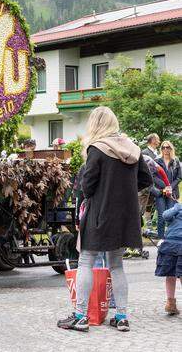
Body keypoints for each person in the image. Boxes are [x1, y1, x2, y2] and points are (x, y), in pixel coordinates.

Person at [58, 106, 152, 332]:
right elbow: (146, 179)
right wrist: (125, 191)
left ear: (95, 124)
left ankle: (81, 316)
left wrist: (102, 194)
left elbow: (87, 186)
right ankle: (121, 317)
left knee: (86, 262)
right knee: (117, 265)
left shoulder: (97, 149)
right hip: (125, 216)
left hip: (100, 213)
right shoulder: (133, 149)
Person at [156, 201, 182, 315]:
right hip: (172, 244)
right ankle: (170, 304)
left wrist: (176, 207)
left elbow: (165, 215)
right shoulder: (177, 211)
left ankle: (170, 303)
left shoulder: (175, 211)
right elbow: (166, 215)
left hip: (170, 245)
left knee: (170, 275)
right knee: (173, 275)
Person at [153, 141, 181, 239]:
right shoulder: (157, 161)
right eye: (163, 147)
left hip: (172, 192)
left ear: (171, 148)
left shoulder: (176, 161)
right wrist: (165, 186)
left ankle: (170, 238)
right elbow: (154, 176)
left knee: (171, 216)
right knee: (161, 216)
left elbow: (179, 177)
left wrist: (170, 187)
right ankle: (161, 239)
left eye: (168, 147)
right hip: (160, 192)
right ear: (161, 149)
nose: (165, 149)